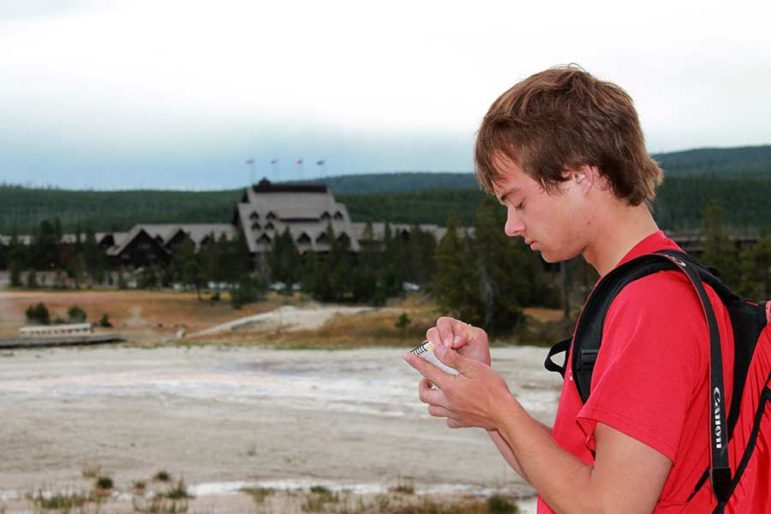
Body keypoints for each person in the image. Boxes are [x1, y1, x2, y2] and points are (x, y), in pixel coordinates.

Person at [404, 65, 734, 513]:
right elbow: (572, 481)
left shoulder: (652, 304)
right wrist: (489, 401)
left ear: (580, 175)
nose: (511, 226)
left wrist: (499, 408)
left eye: (518, 202)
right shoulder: (637, 291)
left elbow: (609, 510)